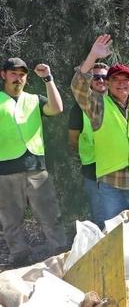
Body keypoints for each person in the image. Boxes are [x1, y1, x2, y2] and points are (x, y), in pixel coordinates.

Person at [71, 34, 129, 222]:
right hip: (112, 184)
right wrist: (93, 56)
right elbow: (78, 87)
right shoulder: (98, 105)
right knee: (114, 236)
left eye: (125, 79)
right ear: (108, 83)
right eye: (115, 79)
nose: (121, 83)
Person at [0, 58, 66, 267]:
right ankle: (19, 255)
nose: (18, 78)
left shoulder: (34, 99)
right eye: (13, 73)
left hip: (36, 168)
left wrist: (48, 79)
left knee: (49, 213)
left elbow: (57, 108)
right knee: (11, 219)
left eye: (22, 74)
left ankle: (59, 250)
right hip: (6, 169)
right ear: (4, 75)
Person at [68, 62, 108, 227]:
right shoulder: (79, 109)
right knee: (100, 215)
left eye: (104, 77)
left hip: (118, 167)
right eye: (96, 77)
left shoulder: (119, 104)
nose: (100, 80)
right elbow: (73, 139)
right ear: (90, 81)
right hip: (93, 168)